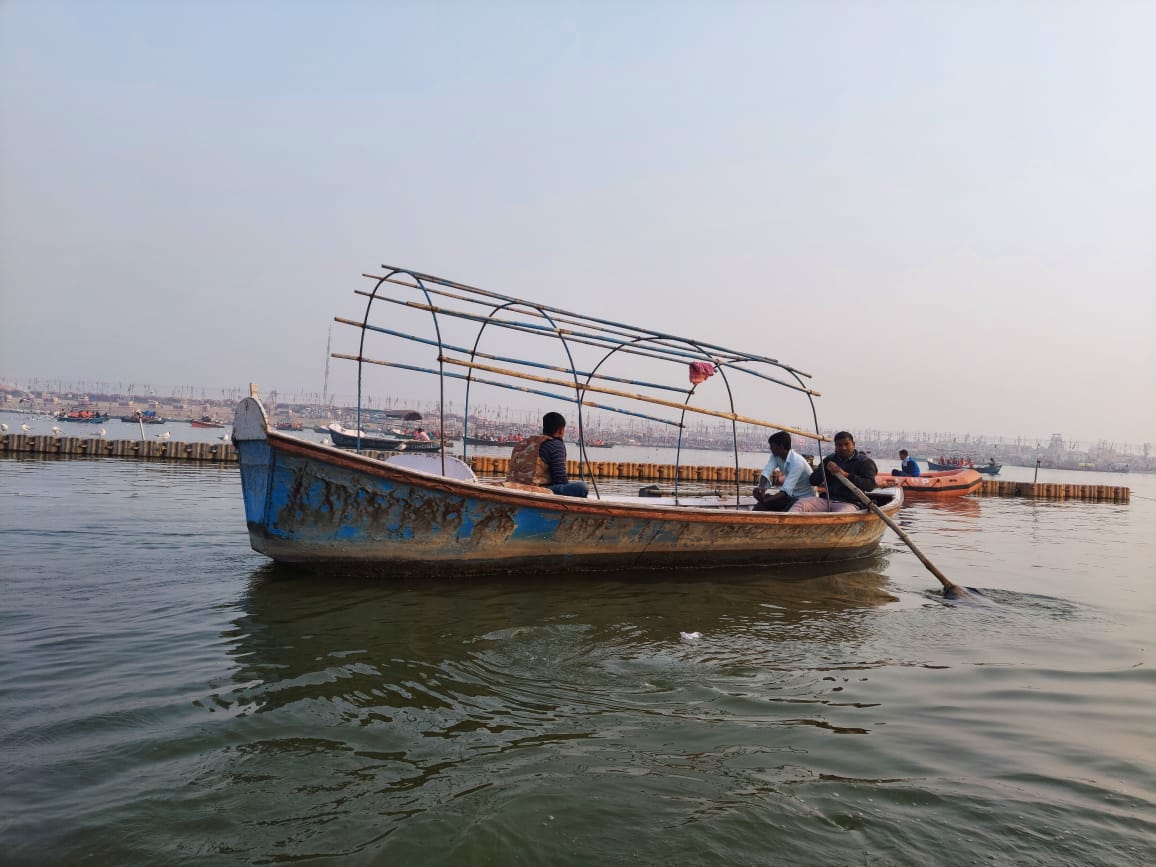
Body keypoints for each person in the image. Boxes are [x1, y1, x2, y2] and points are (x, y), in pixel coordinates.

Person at [789, 431, 877, 512]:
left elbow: (870, 485)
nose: (843, 448)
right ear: (835, 446)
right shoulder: (830, 459)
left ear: (853, 444)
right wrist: (826, 470)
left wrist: (845, 475)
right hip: (826, 500)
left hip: (851, 503)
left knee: (840, 515)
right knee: (801, 504)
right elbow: (813, 480)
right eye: (839, 445)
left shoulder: (864, 462)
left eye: (847, 444)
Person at [506, 412, 589, 498]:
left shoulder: (524, 442)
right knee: (581, 488)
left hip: (512, 486)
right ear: (561, 430)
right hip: (534, 489)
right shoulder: (555, 444)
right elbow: (560, 479)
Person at [752, 431, 817, 512]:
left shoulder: (797, 462)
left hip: (804, 499)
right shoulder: (776, 456)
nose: (770, 448)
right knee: (764, 502)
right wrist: (761, 488)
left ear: (780, 447)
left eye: (772, 446)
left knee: (775, 505)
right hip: (791, 496)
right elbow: (767, 471)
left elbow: (785, 491)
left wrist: (765, 500)